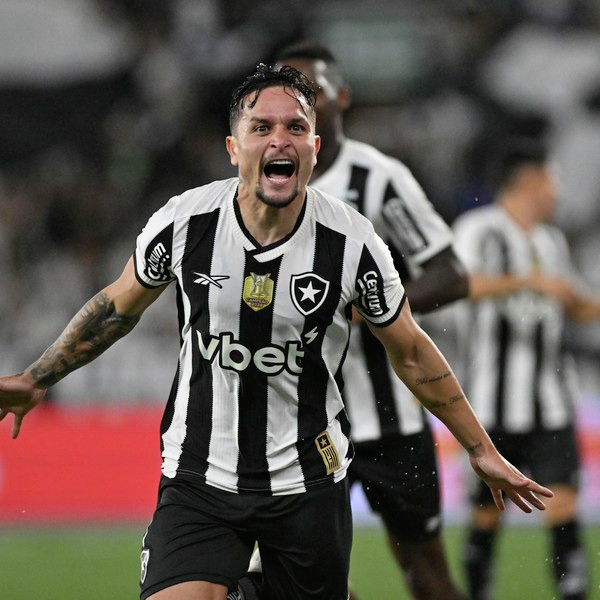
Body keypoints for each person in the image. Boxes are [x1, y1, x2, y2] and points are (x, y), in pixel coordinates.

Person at [0, 65, 553, 600]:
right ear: (233, 147)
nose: (279, 140)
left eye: (295, 127)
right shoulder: (185, 221)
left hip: (306, 483)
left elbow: (409, 351)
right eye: (261, 127)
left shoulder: (353, 243)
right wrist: (38, 376)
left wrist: (480, 448)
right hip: (199, 476)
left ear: (314, 147)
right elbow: (117, 307)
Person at [268, 41, 469, 600]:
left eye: (312, 92)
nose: (300, 105)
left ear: (342, 97)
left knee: (426, 571)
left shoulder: (377, 178)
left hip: (391, 416)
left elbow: (451, 274)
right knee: (295, 573)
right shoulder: (262, 183)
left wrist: (370, 304)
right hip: (300, 420)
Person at [452, 139, 600, 600]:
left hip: (551, 402)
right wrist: (529, 282)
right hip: (489, 404)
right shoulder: (479, 228)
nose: (557, 192)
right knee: (486, 515)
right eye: (551, 182)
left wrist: (579, 299)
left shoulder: (550, 241)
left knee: (565, 507)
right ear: (531, 182)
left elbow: (576, 305)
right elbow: (461, 284)